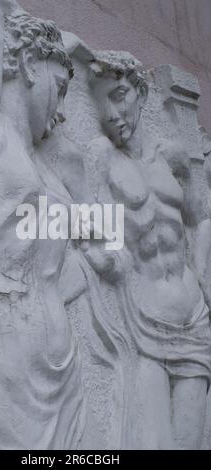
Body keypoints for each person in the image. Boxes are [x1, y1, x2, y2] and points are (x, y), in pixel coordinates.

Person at [0, 7, 102, 450]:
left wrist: (84, 185)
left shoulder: (48, 165)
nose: (64, 112)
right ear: (29, 65)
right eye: (61, 90)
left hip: (60, 375)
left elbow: (105, 247)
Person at [83, 50, 211, 449]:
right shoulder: (101, 158)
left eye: (119, 95)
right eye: (102, 101)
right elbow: (92, 231)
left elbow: (201, 218)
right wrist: (105, 256)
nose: (111, 112)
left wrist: (205, 274)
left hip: (194, 317)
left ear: (140, 91)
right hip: (144, 321)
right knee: (152, 442)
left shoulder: (173, 156)